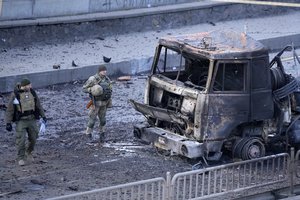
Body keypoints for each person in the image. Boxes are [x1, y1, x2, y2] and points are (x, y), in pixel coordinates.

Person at [5, 78, 47, 166]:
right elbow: (10, 109)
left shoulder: (32, 93)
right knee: (21, 140)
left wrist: (43, 116)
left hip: (31, 119)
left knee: (34, 137)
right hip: (21, 121)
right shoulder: (15, 95)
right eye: (29, 85)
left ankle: (29, 152)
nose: (31, 86)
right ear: (24, 86)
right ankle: (21, 157)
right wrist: (8, 122)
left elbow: (38, 105)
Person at [82, 65, 112, 142]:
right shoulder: (93, 79)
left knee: (103, 120)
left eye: (105, 70)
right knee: (92, 120)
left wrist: (109, 101)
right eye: (103, 70)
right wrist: (91, 89)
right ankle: (88, 133)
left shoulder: (107, 79)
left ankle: (102, 133)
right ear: (99, 71)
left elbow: (110, 90)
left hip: (104, 103)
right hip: (95, 104)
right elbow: (84, 88)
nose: (104, 71)